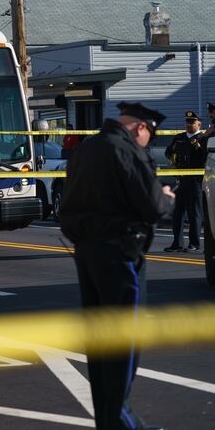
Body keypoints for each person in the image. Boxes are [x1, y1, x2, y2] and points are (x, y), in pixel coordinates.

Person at [61, 102, 174, 430]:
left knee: (100, 344)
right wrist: (167, 197)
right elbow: (153, 206)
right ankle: (122, 423)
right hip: (122, 253)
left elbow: (66, 208)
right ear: (141, 127)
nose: (147, 142)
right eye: (149, 136)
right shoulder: (126, 150)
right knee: (125, 342)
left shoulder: (86, 149)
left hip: (87, 253)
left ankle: (108, 421)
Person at [164, 110, 207, 253]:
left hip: (196, 180)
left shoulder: (204, 138)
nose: (189, 124)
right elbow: (168, 151)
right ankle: (177, 243)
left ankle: (194, 243)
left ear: (199, 123)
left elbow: (206, 157)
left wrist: (198, 146)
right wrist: (172, 156)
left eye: (192, 122)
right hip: (180, 178)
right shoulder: (179, 137)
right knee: (177, 213)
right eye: (187, 122)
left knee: (194, 212)